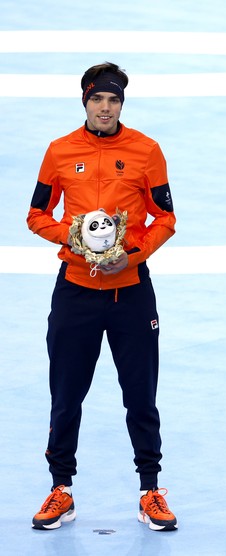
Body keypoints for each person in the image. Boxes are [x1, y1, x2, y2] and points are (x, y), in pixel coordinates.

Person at [26, 62, 178, 531]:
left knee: (140, 396)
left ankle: (150, 490)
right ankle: (60, 490)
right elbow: (36, 214)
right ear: (85, 101)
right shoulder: (59, 151)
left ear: (121, 105)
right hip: (75, 292)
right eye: (98, 99)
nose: (105, 108)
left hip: (130, 293)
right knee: (66, 396)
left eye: (113, 101)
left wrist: (129, 256)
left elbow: (165, 219)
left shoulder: (146, 151)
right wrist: (68, 239)